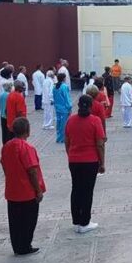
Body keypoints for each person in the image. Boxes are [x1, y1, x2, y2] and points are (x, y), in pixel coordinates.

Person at [0, 117, 46, 256]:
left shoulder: (7, 146)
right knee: (28, 220)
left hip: (12, 190)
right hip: (26, 191)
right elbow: (32, 170)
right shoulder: (26, 147)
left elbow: (3, 163)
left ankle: (17, 245)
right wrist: (38, 190)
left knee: (15, 221)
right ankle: (25, 245)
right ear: (27, 131)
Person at [65, 95, 106, 233]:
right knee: (87, 191)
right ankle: (85, 222)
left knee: (76, 189)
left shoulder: (71, 120)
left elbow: (67, 140)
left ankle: (76, 220)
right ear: (90, 106)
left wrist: (70, 154)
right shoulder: (95, 121)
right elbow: (100, 144)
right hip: (90, 160)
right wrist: (102, 162)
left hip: (74, 160)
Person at [53, 73, 72, 143]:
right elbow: (67, 98)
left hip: (57, 107)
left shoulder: (54, 87)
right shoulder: (64, 87)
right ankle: (62, 138)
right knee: (64, 124)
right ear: (64, 78)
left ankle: (58, 137)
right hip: (64, 108)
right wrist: (69, 107)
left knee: (59, 123)